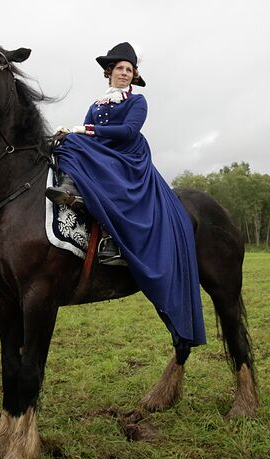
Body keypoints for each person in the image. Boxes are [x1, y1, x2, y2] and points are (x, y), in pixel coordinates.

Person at [47, 42, 207, 348]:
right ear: (109, 72)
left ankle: (112, 233)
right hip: (102, 152)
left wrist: (83, 130)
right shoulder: (98, 103)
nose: (124, 73)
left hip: (128, 156)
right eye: (120, 69)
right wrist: (71, 133)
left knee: (76, 140)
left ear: (134, 76)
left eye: (129, 70)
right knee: (64, 144)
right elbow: (86, 129)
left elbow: (129, 131)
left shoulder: (138, 101)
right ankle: (73, 195)